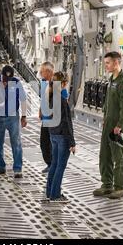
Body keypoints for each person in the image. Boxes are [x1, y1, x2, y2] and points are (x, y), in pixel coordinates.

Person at [93, 52, 123, 199]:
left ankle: (120, 186)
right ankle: (107, 184)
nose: (106, 66)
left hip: (118, 126)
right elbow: (108, 103)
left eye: (108, 63)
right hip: (108, 124)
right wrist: (105, 118)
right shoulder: (111, 80)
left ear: (116, 63)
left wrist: (120, 125)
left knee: (119, 156)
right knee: (105, 155)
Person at [46, 72, 76, 203]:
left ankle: (49, 192)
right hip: (62, 137)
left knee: (54, 164)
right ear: (63, 84)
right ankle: (55, 195)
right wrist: (72, 142)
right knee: (60, 166)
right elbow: (67, 123)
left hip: (53, 134)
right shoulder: (62, 101)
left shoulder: (51, 97)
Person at [0, 65, 27, 178]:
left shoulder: (16, 82)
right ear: (1, 75)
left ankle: (18, 169)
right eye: (5, 79)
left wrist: (24, 116)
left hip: (13, 117)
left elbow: (23, 99)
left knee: (16, 143)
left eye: (9, 79)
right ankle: (0, 167)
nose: (7, 82)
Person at [39, 62, 55, 173]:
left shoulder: (56, 84)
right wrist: (40, 110)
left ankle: (53, 165)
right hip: (45, 119)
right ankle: (49, 163)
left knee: (51, 143)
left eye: (42, 71)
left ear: (48, 72)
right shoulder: (44, 83)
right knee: (44, 142)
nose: (40, 73)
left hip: (53, 119)